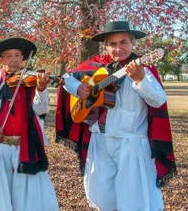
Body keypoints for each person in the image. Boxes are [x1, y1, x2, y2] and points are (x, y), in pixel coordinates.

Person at [55, 21, 176, 211]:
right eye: (113, 44)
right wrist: (78, 88)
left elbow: (159, 100)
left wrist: (140, 80)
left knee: (133, 199)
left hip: (130, 142)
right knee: (101, 195)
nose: (118, 48)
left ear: (132, 43)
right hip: (99, 141)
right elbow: (67, 78)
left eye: (123, 42)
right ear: (106, 46)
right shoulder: (96, 66)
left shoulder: (142, 68)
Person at [0, 38, 59, 211]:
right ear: (1, 60)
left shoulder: (31, 81)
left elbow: (41, 110)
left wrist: (41, 89)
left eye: (17, 55)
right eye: (9, 56)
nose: (14, 59)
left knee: (28, 200)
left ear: (23, 58)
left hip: (26, 147)